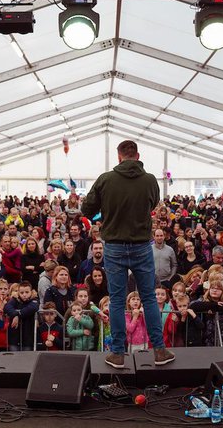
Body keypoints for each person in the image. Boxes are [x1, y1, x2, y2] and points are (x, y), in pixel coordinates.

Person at [81, 140, 174, 368]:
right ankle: (159, 351)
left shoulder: (106, 179)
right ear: (137, 155)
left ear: (119, 156)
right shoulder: (150, 180)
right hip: (142, 245)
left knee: (117, 301)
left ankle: (118, 354)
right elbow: (152, 204)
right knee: (150, 297)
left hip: (113, 245)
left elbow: (86, 210)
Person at [4, 281, 39, 351]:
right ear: (18, 293)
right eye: (22, 293)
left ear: (31, 292)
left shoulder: (34, 300)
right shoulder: (14, 299)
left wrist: (18, 315)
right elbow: (7, 307)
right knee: (13, 357)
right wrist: (15, 314)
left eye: (27, 292)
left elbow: (32, 308)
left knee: (27, 357)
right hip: (14, 336)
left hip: (28, 336)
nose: (24, 295)